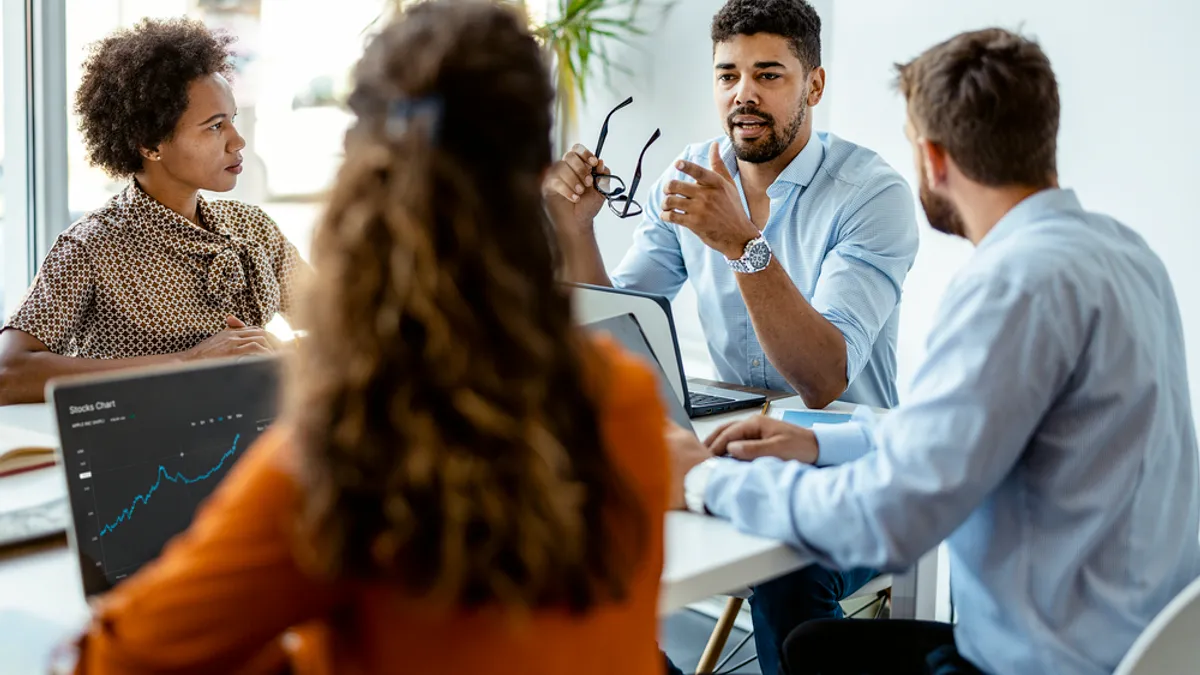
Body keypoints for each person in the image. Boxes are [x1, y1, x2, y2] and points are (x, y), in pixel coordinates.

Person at [70, 2, 668, 674]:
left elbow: (113, 660)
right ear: (540, 174)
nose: (236, 142)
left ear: (361, 176)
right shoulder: (626, 399)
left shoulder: (342, 459)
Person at [670, 27, 1200, 675]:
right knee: (809, 644)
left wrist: (703, 479)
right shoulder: (1125, 253)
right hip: (1141, 645)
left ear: (934, 158)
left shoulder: (1012, 287)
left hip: (1030, 663)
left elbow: (888, 518)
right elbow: (962, 438)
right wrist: (820, 442)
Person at [544, 1, 916, 671]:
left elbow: (823, 379)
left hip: (853, 462)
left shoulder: (871, 194)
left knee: (787, 574)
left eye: (769, 74)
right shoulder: (690, 174)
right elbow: (621, 325)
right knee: (580, 525)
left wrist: (743, 246)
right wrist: (577, 231)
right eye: (727, 75)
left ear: (815, 86)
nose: (743, 93)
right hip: (732, 444)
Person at [0, 18, 304, 405]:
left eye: (233, 120)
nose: (237, 141)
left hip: (251, 440)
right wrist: (185, 362)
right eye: (214, 126)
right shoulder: (92, 246)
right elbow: (8, 374)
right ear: (150, 144)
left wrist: (285, 353)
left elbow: (343, 329)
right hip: (143, 454)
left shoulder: (254, 227)